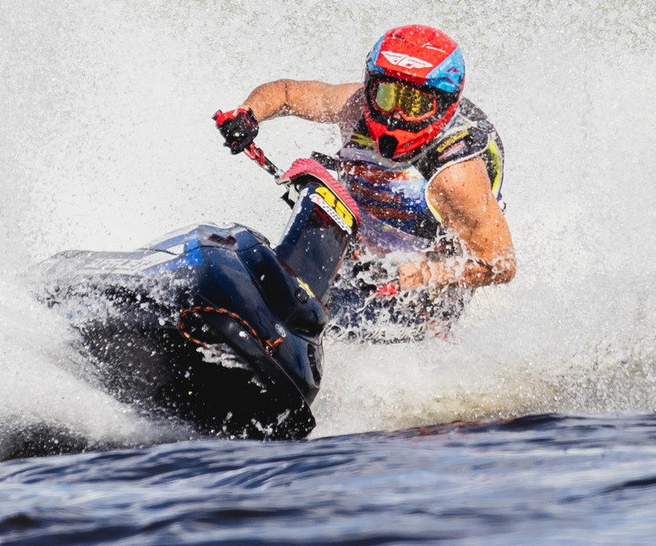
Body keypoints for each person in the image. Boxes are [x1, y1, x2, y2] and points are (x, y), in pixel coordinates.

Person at [211, 25, 512, 339]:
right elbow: (287, 93)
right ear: (371, 86)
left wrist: (427, 273)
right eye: (387, 96)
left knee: (321, 329)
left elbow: (500, 263)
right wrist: (248, 114)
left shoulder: (457, 178)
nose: (396, 115)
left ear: (445, 104)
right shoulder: (354, 106)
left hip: (424, 288)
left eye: (414, 105)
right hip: (360, 247)